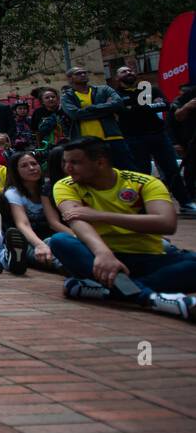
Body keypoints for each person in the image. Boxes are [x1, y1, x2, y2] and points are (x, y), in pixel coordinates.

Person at [49, 136, 196, 320]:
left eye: (75, 162)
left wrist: (101, 215)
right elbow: (77, 221)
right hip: (98, 259)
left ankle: (106, 290)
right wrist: (103, 253)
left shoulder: (144, 182)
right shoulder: (65, 185)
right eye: (65, 162)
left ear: (100, 163)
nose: (67, 168)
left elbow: (166, 224)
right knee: (61, 241)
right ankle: (150, 298)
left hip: (149, 256)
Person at [112, 65, 196, 214]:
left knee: (172, 170)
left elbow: (164, 105)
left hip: (158, 135)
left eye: (131, 70)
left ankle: (186, 203)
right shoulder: (115, 95)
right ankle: (146, 206)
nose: (129, 72)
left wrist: (135, 108)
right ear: (117, 78)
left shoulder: (151, 89)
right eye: (123, 71)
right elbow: (123, 111)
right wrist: (146, 107)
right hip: (133, 138)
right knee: (141, 174)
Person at [1, 150, 71, 275]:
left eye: (34, 163)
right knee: (52, 259)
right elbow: (23, 224)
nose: (32, 168)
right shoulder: (13, 193)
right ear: (15, 171)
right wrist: (39, 245)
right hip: (28, 241)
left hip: (51, 238)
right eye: (24, 166)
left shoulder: (49, 187)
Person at [60, 67, 131, 168]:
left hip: (113, 137)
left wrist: (90, 109)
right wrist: (106, 108)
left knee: (126, 169)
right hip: (87, 143)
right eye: (78, 73)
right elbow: (75, 114)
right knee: (96, 172)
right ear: (70, 78)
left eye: (85, 72)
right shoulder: (67, 97)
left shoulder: (104, 89)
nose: (83, 75)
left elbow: (118, 104)